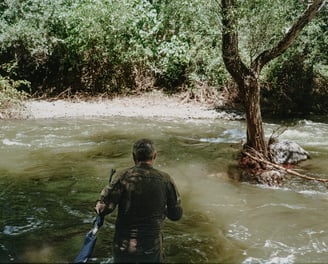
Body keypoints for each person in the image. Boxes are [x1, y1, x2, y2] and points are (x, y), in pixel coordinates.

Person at [95, 138, 183, 263]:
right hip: (152, 246)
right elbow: (176, 215)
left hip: (124, 246)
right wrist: (163, 209)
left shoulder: (123, 176)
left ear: (133, 157)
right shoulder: (165, 179)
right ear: (154, 156)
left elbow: (103, 210)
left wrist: (100, 203)